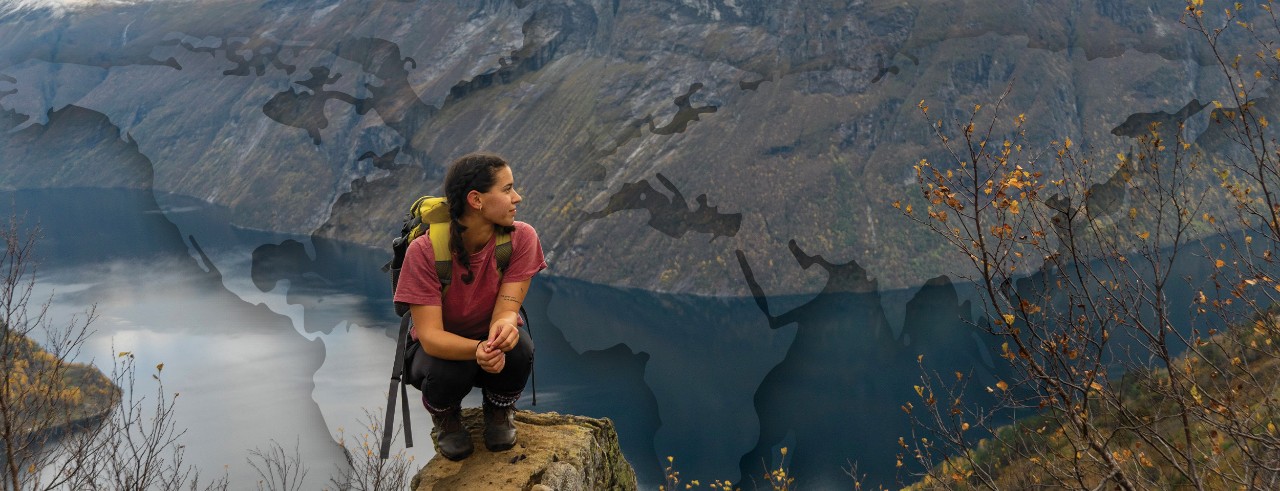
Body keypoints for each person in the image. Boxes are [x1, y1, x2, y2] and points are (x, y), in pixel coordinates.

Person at [393, 152, 547, 460]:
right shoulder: (425, 251)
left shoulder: (522, 238)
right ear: (476, 200)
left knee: (519, 349)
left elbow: (507, 308)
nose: (517, 197)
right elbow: (431, 336)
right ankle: (447, 418)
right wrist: (477, 350)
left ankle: (499, 410)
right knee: (448, 368)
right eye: (507, 189)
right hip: (438, 353)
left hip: (487, 342)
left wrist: (503, 328)